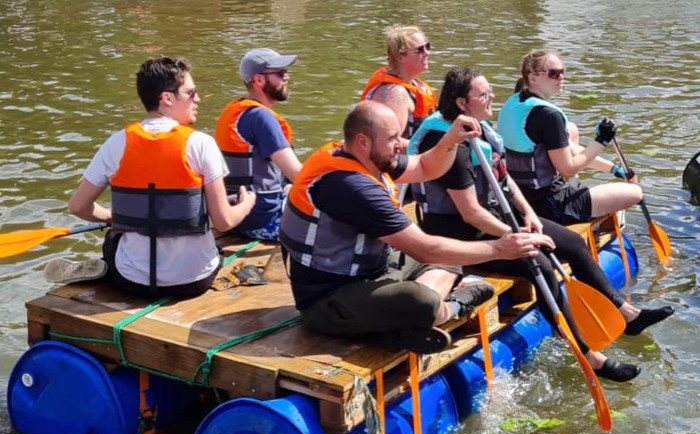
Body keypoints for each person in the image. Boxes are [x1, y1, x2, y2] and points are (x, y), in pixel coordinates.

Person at [408, 68, 673, 381]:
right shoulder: (450, 143)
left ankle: (626, 314)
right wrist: (515, 236)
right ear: (462, 103)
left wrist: (528, 214)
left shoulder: (478, 127)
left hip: (495, 216)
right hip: (459, 232)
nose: (492, 96)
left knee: (572, 244)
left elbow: (503, 178)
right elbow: (469, 214)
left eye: (490, 90)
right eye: (484, 94)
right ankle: (589, 355)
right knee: (542, 265)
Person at [279, 100, 557, 354]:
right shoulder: (350, 186)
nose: (401, 143)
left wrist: (449, 141)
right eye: (391, 138)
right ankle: (453, 305)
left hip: (370, 271)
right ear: (362, 141)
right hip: (327, 298)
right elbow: (423, 249)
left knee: (449, 255)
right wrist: (499, 248)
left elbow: (425, 166)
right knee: (421, 300)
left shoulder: (363, 156)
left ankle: (401, 321)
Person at [44, 56, 256, 298]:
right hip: (195, 281)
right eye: (191, 92)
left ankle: (107, 268)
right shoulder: (201, 144)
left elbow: (78, 206)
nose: (197, 99)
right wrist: (247, 204)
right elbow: (224, 222)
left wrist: (115, 217)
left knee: (115, 237)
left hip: (132, 281)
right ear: (167, 98)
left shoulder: (116, 143)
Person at [497, 49, 643, 225]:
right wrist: (601, 141)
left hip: (517, 195)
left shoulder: (515, 101)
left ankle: (583, 198)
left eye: (562, 72)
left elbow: (570, 150)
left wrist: (615, 169)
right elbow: (568, 169)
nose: (560, 77)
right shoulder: (549, 116)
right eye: (553, 73)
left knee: (571, 130)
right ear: (532, 78)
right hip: (549, 204)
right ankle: (578, 214)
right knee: (635, 193)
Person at [214, 48, 302, 241]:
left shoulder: (236, 112)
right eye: (280, 73)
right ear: (259, 80)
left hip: (240, 216)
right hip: (264, 220)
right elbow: (299, 175)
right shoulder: (261, 117)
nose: (286, 77)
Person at [360, 25, 437, 150]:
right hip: (399, 164)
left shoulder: (415, 85)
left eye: (427, 47)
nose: (427, 53)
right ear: (400, 57)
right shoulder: (394, 93)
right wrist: (436, 150)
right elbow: (389, 142)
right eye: (419, 50)